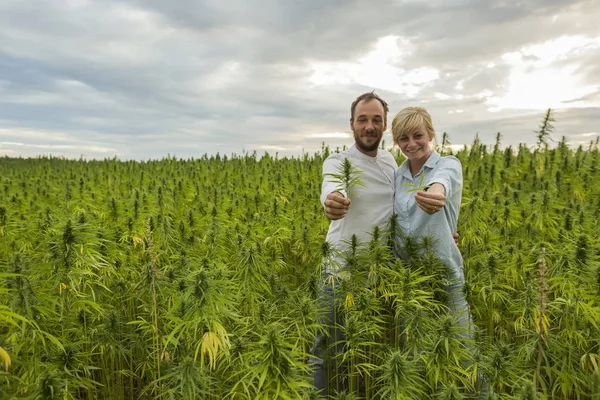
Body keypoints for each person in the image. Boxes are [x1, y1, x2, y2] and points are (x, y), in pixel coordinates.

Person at [390, 106, 471, 335]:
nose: (411, 144)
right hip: (408, 277)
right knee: (413, 348)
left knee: (462, 344)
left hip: (444, 272)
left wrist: (435, 194)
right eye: (403, 138)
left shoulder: (448, 164)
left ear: (431, 135)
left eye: (418, 136)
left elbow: (441, 182)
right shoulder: (397, 176)